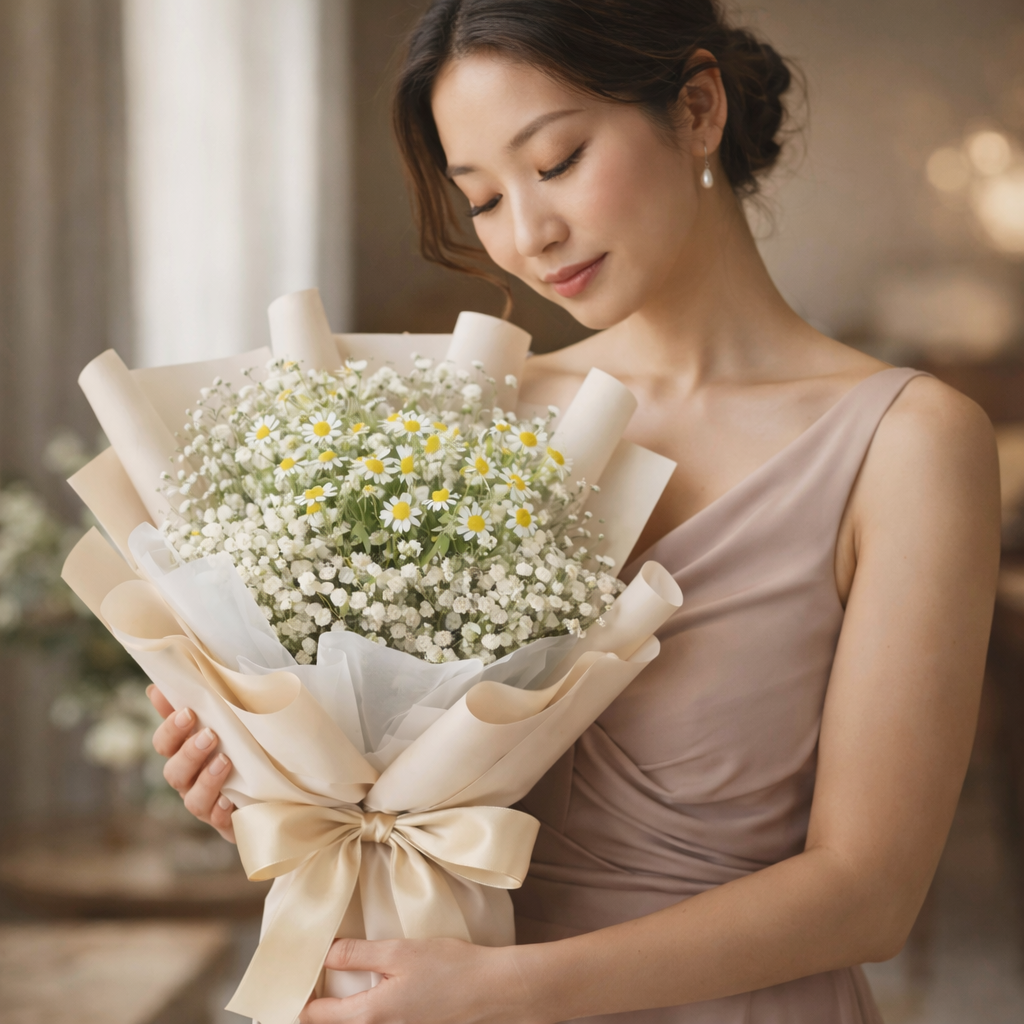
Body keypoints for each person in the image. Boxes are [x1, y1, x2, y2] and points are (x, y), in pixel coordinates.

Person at [147, 1, 1001, 1021]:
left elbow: (870, 893)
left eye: (555, 162)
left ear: (695, 108)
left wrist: (510, 991)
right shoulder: (467, 419)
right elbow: (397, 797)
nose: (529, 234)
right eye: (484, 199)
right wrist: (275, 786)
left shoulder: (908, 444)